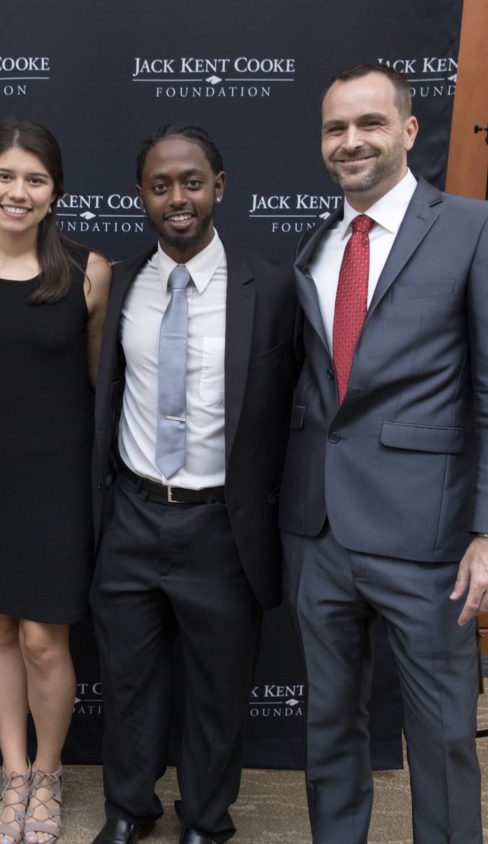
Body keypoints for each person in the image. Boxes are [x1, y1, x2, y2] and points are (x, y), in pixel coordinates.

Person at [280, 62, 488, 844]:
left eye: (370, 123)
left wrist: (486, 531)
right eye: (336, 128)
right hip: (322, 533)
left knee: (440, 743)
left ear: (408, 130)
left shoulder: (472, 228)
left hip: (430, 541)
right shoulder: (319, 245)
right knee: (329, 731)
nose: (351, 141)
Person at [88, 124, 297, 844]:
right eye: (160, 185)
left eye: (191, 182)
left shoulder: (271, 287)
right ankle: (128, 808)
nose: (177, 198)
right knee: (128, 686)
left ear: (219, 187)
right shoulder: (116, 285)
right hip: (135, 515)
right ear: (141, 196)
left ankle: (207, 820)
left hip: (223, 526)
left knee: (218, 693)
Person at [0, 119, 111, 844]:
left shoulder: (90, 271)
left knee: (45, 639)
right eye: (5, 176)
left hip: (60, 482)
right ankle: (13, 773)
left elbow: (99, 382)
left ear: (54, 192)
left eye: (34, 179)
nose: (18, 191)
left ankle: (49, 771)